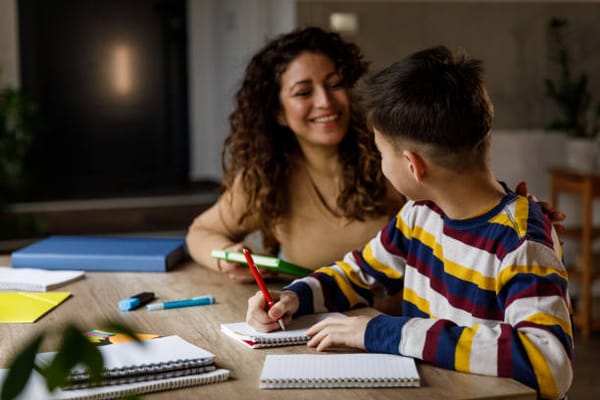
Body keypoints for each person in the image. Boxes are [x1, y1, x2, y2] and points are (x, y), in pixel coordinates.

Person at [246, 46, 573, 399]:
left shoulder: (521, 242)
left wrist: (382, 332)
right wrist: (293, 298)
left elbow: (548, 361)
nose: (381, 163)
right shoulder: (420, 216)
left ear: (413, 165)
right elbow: (356, 274)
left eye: (381, 153)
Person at [185, 26, 564, 287]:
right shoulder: (266, 176)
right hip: (317, 325)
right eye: (304, 92)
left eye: (335, 85)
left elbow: (466, 201)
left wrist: (517, 217)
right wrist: (227, 257)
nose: (325, 102)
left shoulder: (394, 161)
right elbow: (200, 234)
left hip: (406, 333)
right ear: (278, 113)